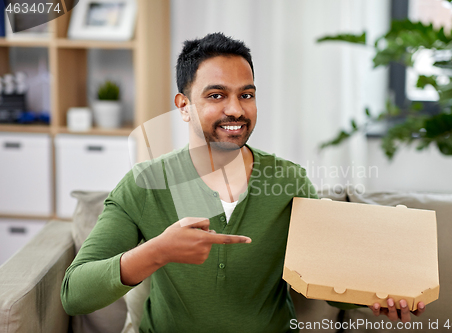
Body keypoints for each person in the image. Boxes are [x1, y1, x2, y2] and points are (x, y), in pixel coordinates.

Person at [61, 32, 425, 332]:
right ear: (183, 105)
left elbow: (326, 278)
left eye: (246, 95)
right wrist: (158, 252)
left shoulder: (289, 179)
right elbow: (74, 294)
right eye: (216, 95)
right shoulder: (144, 185)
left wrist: (379, 295)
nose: (236, 109)